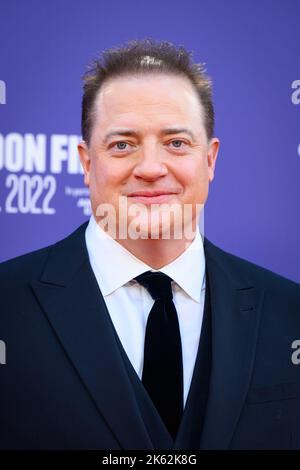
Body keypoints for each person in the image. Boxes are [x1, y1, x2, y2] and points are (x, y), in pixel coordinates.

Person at [0, 39, 300, 451]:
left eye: (176, 143)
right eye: (123, 144)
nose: (151, 168)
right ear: (87, 163)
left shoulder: (290, 313)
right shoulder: (6, 306)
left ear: (210, 160)